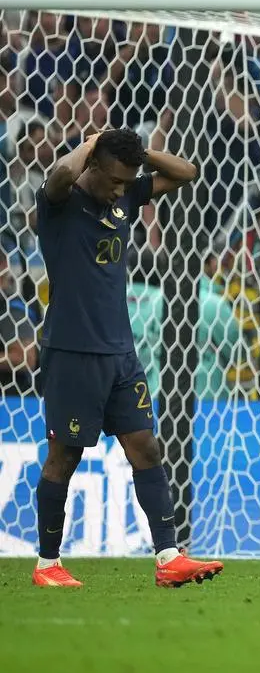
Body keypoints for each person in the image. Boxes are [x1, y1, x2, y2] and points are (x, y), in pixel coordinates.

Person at [31, 128, 221, 588]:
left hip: (120, 352)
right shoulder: (60, 202)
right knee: (65, 456)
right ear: (92, 164)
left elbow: (187, 173)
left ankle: (168, 558)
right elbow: (58, 171)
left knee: (146, 448)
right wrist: (93, 139)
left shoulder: (126, 196)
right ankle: (47, 565)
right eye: (114, 180)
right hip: (73, 352)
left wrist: (139, 153)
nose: (121, 189)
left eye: (126, 181)